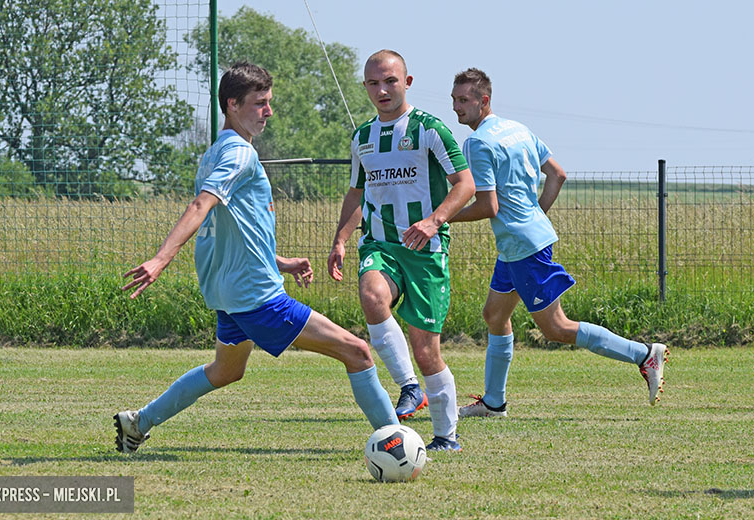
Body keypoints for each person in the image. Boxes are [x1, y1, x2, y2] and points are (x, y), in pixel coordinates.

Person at [113, 61, 398, 453]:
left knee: (226, 370)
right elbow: (201, 206)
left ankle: (138, 422)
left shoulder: (214, 153)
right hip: (256, 297)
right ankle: (398, 443)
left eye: (269, 102)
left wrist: (279, 261)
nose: (269, 112)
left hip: (230, 294)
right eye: (260, 103)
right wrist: (162, 258)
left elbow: (232, 231)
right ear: (232, 105)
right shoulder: (239, 155)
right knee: (357, 351)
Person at [448, 68, 669, 418]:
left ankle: (643, 354)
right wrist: (536, 214)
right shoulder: (517, 129)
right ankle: (494, 403)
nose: (457, 108)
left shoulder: (477, 143)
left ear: (483, 100)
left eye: (463, 100)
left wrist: (439, 218)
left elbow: (487, 206)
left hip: (524, 247)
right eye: (454, 100)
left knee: (557, 328)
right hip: (521, 242)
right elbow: (558, 173)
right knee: (494, 315)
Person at [327, 50, 475, 451]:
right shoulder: (362, 138)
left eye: (390, 81)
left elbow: (465, 184)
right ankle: (409, 385)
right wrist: (341, 239)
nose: (382, 90)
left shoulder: (429, 129)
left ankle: (447, 436)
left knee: (427, 351)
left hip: (426, 249)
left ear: (406, 83)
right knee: (372, 295)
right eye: (374, 83)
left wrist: (434, 221)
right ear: (366, 87)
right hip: (380, 244)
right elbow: (357, 192)